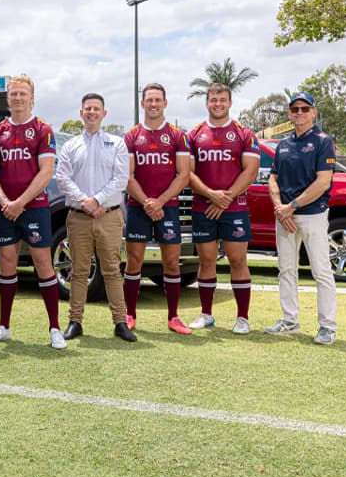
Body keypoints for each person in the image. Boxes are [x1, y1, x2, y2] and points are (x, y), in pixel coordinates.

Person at [0, 75, 66, 350]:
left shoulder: (43, 129)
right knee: (7, 261)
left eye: (22, 93)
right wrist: (6, 201)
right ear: (7, 98)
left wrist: (20, 202)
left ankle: (54, 328)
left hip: (35, 208)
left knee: (43, 263)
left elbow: (46, 172)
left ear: (32, 98)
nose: (18, 98)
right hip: (6, 208)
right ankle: (3, 326)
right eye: (13, 94)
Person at [54, 92, 134, 341]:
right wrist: (86, 202)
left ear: (104, 113)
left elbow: (121, 178)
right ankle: (75, 321)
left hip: (109, 216)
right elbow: (62, 179)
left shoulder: (117, 143)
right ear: (81, 113)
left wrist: (97, 200)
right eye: (87, 108)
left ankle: (120, 322)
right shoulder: (70, 146)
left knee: (111, 270)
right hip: (78, 217)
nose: (91, 112)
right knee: (78, 271)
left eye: (96, 108)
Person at [264, 91, 338, 345]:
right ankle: (290, 320)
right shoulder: (283, 145)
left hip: (313, 215)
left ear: (314, 112)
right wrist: (280, 207)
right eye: (295, 109)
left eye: (305, 109)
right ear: (289, 113)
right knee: (286, 269)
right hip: (285, 218)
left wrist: (292, 206)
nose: (299, 113)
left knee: (321, 271)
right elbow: (273, 178)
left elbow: (323, 182)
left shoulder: (322, 141)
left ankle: (327, 326)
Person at [187, 83, 261, 334]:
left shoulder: (245, 134)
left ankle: (242, 318)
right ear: (207, 103)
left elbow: (250, 172)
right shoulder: (194, 134)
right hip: (203, 207)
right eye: (213, 100)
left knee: (238, 260)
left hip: (235, 208)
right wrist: (210, 195)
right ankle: (206, 313)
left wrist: (226, 198)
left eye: (222, 99)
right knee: (206, 260)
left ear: (230, 103)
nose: (217, 104)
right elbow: (187, 173)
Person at [122, 83, 193, 335]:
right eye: (149, 100)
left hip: (168, 208)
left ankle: (173, 318)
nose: (153, 104)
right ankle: (129, 314)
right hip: (138, 207)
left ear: (165, 103)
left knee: (172, 262)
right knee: (134, 261)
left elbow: (184, 175)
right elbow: (127, 176)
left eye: (157, 100)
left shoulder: (178, 136)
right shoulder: (131, 136)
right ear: (142, 104)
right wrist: (147, 203)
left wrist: (159, 202)